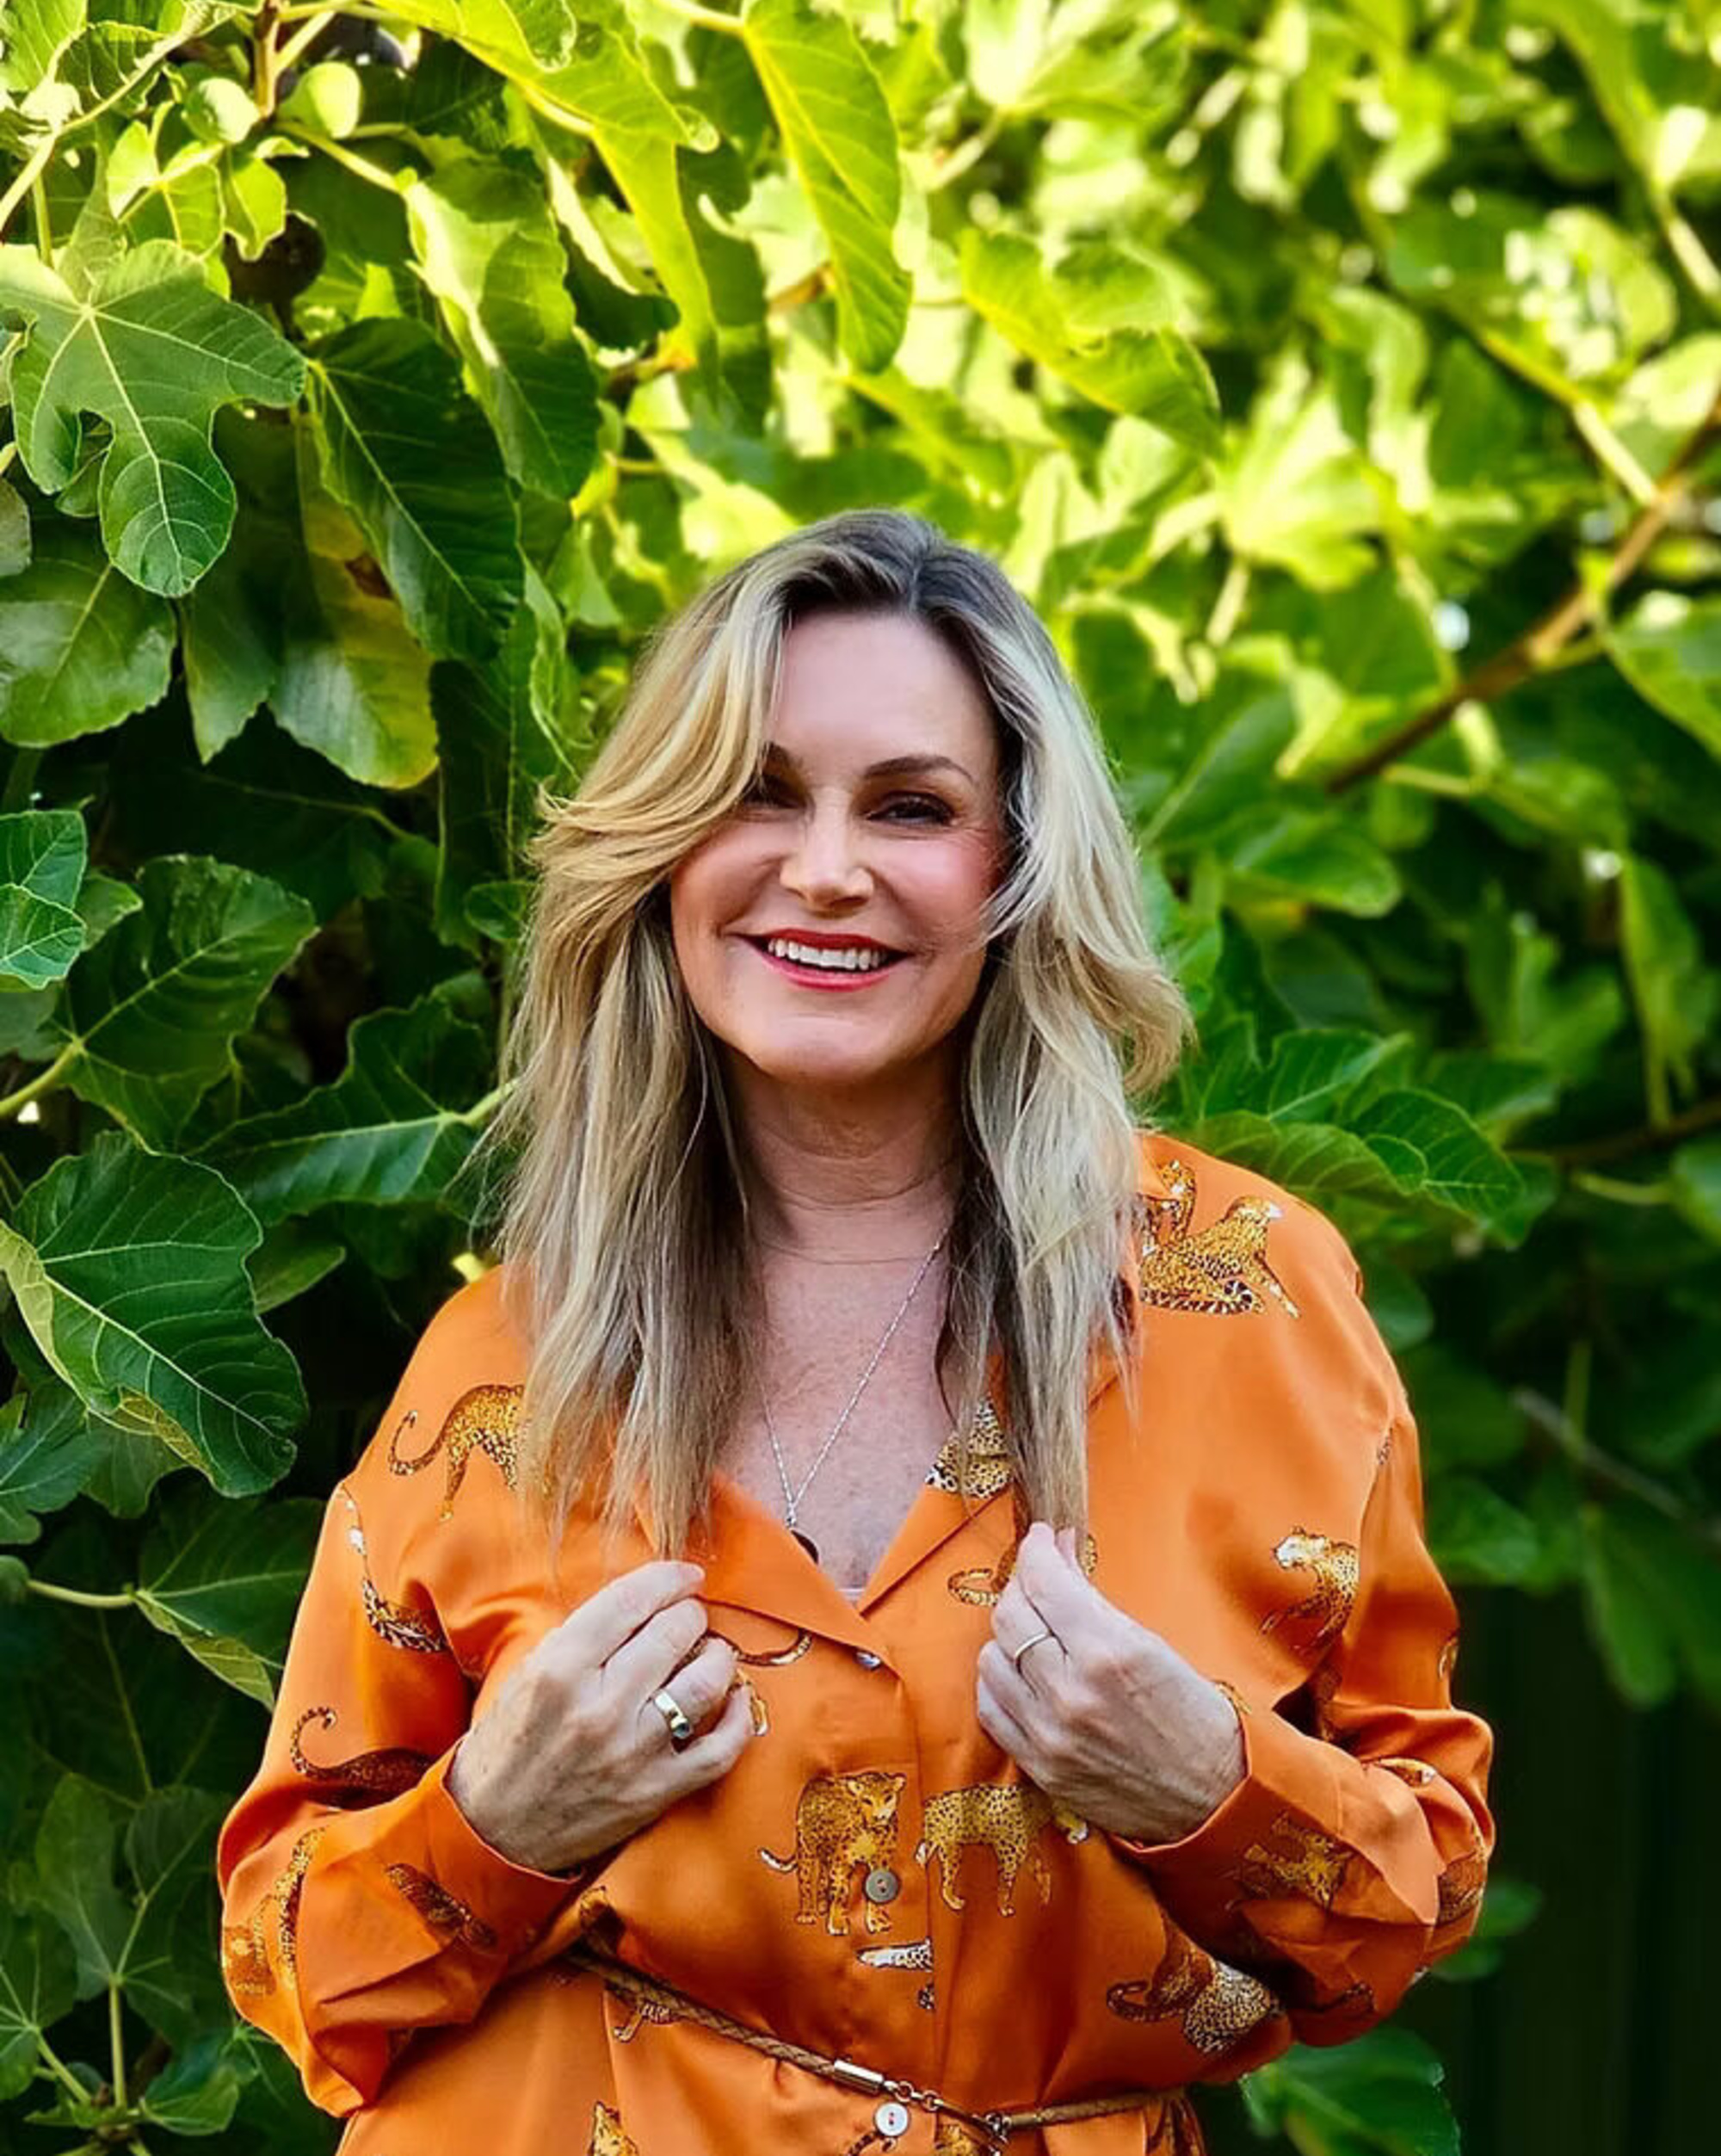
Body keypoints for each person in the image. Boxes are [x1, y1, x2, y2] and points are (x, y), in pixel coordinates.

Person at [216, 508, 1495, 2156]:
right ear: (663, 851)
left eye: (912, 807)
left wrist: (1211, 1789)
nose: (826, 868)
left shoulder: (1248, 1298)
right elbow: (286, 1964)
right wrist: (495, 1824)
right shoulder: (506, 1363)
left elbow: (1417, 1888)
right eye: (756, 791)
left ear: (1016, 865)